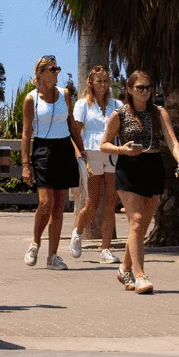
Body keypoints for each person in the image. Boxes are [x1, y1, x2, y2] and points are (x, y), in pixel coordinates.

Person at [100, 73, 179, 294]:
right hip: (128, 168)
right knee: (137, 221)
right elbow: (104, 144)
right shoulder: (119, 114)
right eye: (140, 87)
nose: (145, 91)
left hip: (152, 166)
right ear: (130, 90)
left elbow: (171, 140)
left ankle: (124, 269)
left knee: (141, 227)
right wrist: (122, 150)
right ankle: (140, 276)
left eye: (148, 87)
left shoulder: (159, 112)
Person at [21, 55, 79, 269]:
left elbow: (72, 124)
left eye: (57, 69)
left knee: (59, 205)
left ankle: (52, 256)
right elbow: (26, 134)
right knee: (46, 202)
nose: (57, 72)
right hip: (43, 148)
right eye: (52, 69)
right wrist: (26, 165)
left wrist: (82, 151)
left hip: (64, 147)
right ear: (41, 73)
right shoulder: (30, 99)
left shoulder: (64, 94)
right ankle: (35, 242)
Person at [72, 64, 119, 263]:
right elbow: (76, 133)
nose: (102, 84)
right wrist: (81, 157)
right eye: (99, 80)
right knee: (92, 203)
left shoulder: (116, 104)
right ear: (91, 82)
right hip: (91, 154)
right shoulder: (83, 104)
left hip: (113, 154)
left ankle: (106, 249)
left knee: (111, 202)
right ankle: (78, 232)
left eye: (105, 81)